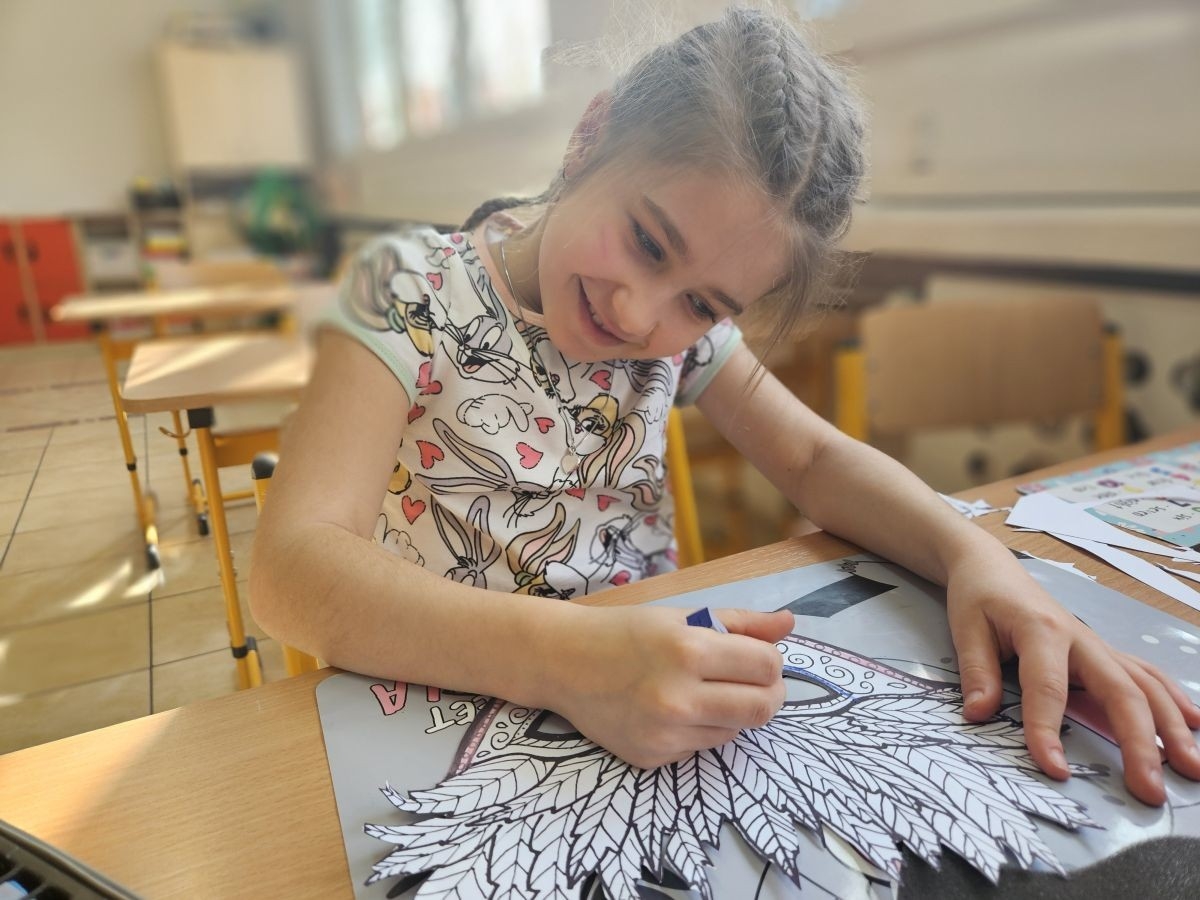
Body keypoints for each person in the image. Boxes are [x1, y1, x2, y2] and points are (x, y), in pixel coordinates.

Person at [250, 6, 1200, 807]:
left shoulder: (684, 337)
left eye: (703, 304)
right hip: (437, 704)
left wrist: (976, 558)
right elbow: (292, 570)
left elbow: (815, 461)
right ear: (589, 137)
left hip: (647, 706)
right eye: (647, 242)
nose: (641, 317)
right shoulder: (405, 287)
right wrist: (571, 661)